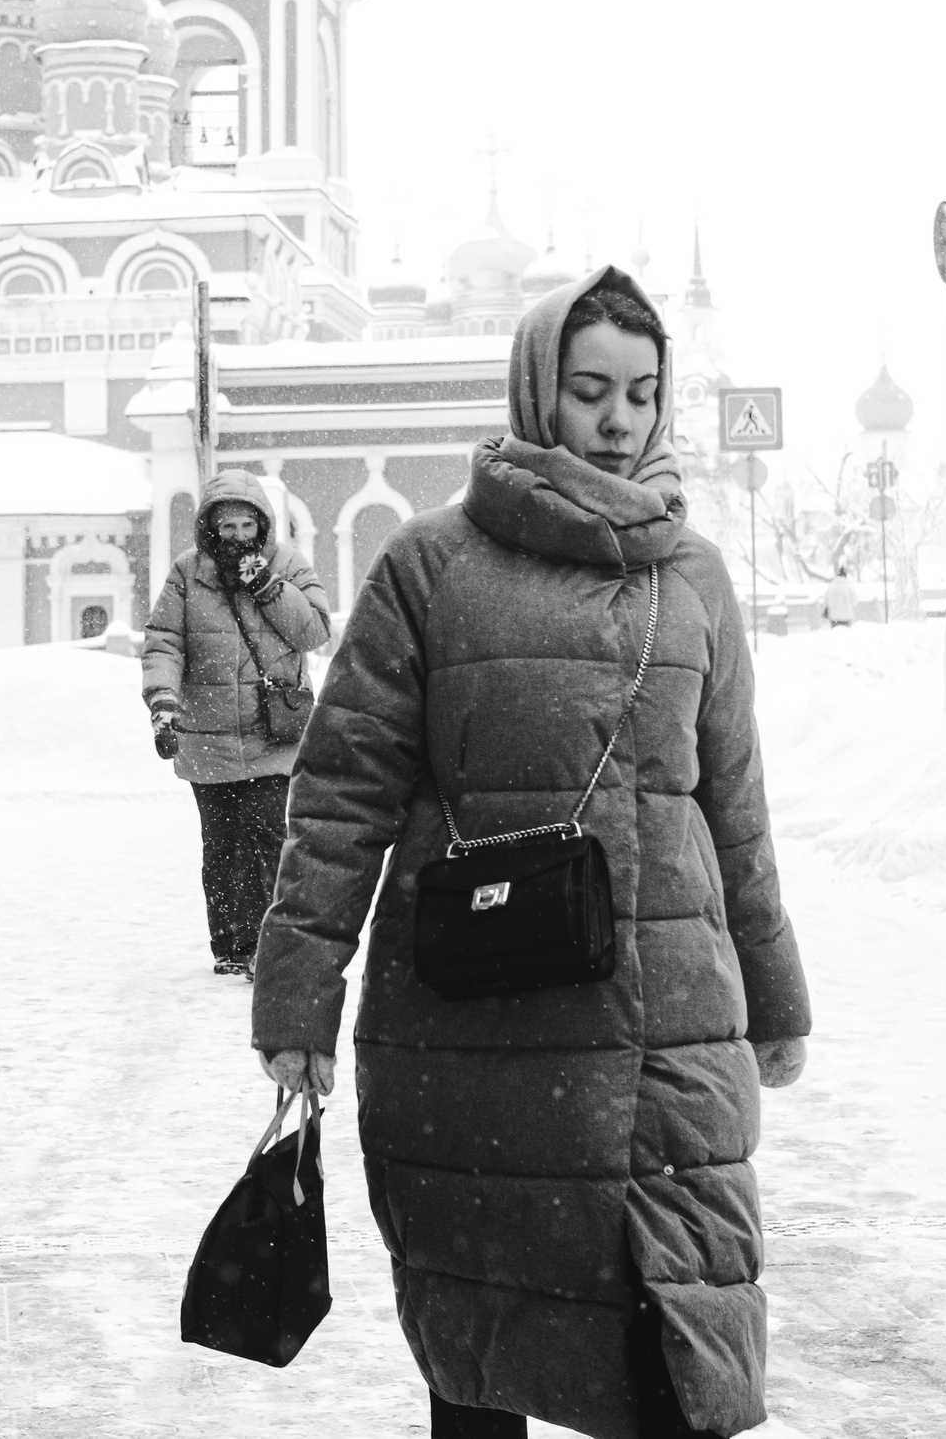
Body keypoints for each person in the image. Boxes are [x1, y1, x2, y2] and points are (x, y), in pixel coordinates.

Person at [252, 268, 811, 1439]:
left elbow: (736, 806)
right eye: (592, 389)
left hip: (666, 1023)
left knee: (681, 1342)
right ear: (534, 391)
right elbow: (344, 794)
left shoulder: (694, 576)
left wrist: (775, 996)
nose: (619, 420)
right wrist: (296, 999)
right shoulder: (430, 567)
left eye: (643, 394)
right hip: (473, 1019)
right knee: (484, 1336)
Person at [142, 471, 332, 980]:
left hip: (274, 734)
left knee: (272, 841)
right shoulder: (188, 573)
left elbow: (315, 631)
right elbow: (164, 642)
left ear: (263, 524)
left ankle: (271, 944)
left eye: (248, 524)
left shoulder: (288, 566)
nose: (239, 536)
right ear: (210, 528)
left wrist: (269, 588)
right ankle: (231, 945)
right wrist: (163, 702)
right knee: (223, 849)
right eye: (228, 528)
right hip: (207, 741)